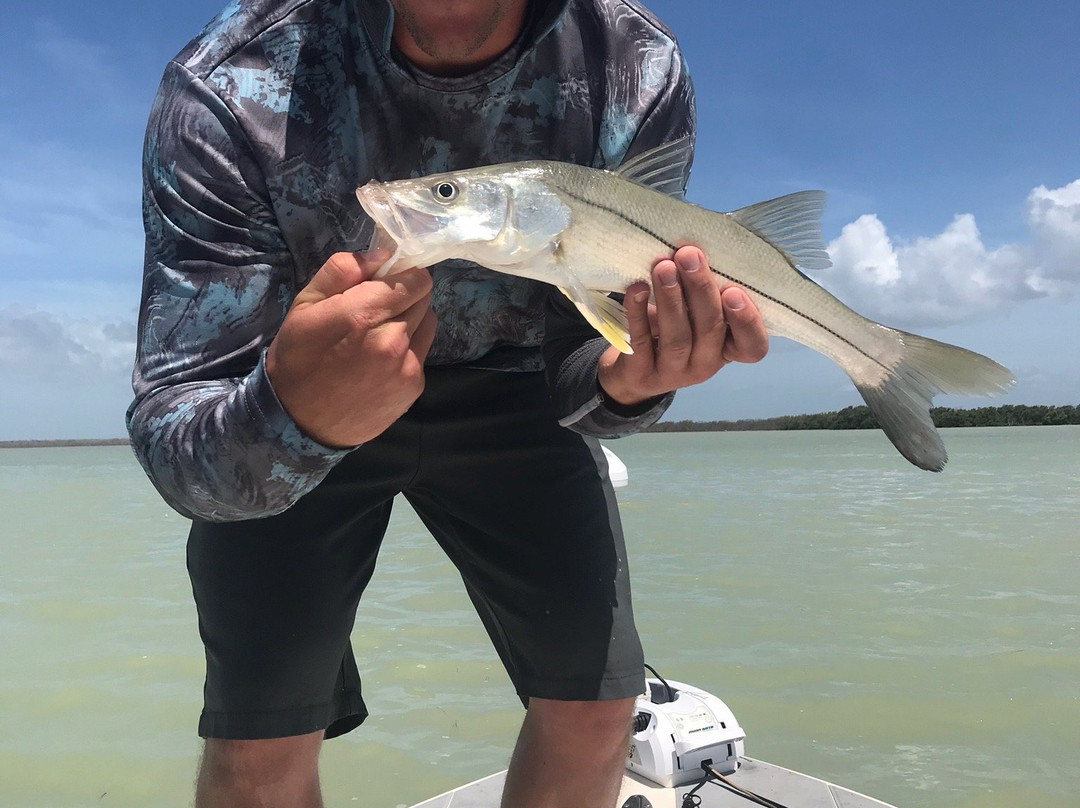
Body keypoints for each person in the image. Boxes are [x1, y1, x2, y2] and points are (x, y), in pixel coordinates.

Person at [128, 0, 769, 805]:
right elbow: (179, 434)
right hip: (292, 379)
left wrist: (628, 384)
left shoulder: (631, 64)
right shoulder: (227, 87)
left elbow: (586, 358)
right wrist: (295, 416)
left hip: (517, 387)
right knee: (260, 734)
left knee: (599, 706)